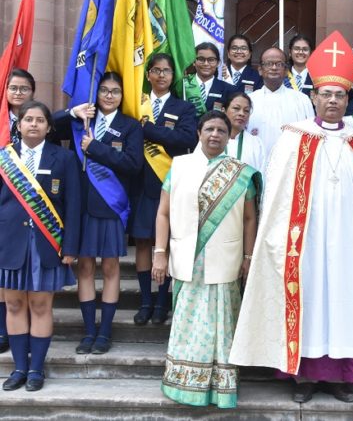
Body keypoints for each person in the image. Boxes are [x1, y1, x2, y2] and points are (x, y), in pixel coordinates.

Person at [230, 32, 353, 404]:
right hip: (305, 241)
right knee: (308, 300)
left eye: (340, 95)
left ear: (349, 98)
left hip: (349, 242)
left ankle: (341, 376)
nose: (333, 100)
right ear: (314, 97)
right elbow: (277, 197)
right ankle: (305, 376)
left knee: (346, 301)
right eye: (326, 94)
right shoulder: (293, 137)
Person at [152, 110, 260, 408]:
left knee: (220, 325)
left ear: (229, 137)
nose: (215, 135)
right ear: (199, 132)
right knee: (188, 322)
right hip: (188, 258)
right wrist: (159, 253)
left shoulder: (241, 172)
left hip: (226, 259)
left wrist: (249, 256)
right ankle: (184, 383)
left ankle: (220, 387)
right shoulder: (180, 166)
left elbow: (250, 218)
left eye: (221, 131)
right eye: (209, 129)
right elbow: (163, 213)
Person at [54, 73, 143, 355]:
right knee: (85, 268)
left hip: (110, 206)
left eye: (115, 91)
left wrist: (96, 148)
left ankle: (104, 332)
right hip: (80, 207)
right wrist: (72, 111)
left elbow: (133, 164)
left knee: (111, 268)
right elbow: (49, 126)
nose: (109, 96)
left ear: (122, 95)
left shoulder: (130, 126)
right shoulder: (82, 122)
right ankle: (88, 332)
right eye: (104, 90)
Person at [0, 101, 80, 391]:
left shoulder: (64, 158)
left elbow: (73, 205)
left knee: (41, 305)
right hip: (9, 243)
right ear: (19, 125)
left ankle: (36, 370)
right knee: (13, 304)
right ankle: (19, 368)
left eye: (40, 120)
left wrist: (70, 246)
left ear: (48, 127)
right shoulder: (3, 158)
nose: (33, 124)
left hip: (48, 243)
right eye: (28, 119)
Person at [130, 54, 197, 326]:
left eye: (166, 71)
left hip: (172, 183)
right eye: (156, 70)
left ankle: (161, 300)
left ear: (173, 76)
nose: (161, 75)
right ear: (148, 75)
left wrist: (148, 130)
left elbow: (185, 138)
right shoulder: (136, 103)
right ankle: (145, 300)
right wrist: (156, 132)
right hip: (141, 183)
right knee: (143, 242)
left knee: (167, 242)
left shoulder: (184, 107)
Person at [0, 68, 36, 354]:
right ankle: (3, 330)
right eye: (13, 88)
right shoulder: (2, 121)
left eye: (24, 88)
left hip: (28, 210)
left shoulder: (36, 120)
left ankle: (22, 330)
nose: (18, 93)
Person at [247, 47, 314, 154]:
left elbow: (311, 136)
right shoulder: (249, 101)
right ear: (260, 70)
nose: (274, 68)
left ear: (286, 70)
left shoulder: (302, 100)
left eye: (279, 64)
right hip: (255, 161)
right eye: (269, 64)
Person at [184, 42, 237, 117]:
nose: (206, 64)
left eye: (211, 60)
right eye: (201, 59)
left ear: (218, 63)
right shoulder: (183, 85)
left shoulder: (229, 90)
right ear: (194, 62)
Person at [222, 91, 266, 173]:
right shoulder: (212, 139)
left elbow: (261, 176)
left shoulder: (256, 143)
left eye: (246, 110)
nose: (242, 114)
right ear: (224, 111)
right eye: (236, 108)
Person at [283, 34, 315, 98]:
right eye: (296, 49)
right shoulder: (282, 76)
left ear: (311, 53)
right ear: (290, 52)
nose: (300, 52)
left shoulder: (316, 77)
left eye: (305, 49)